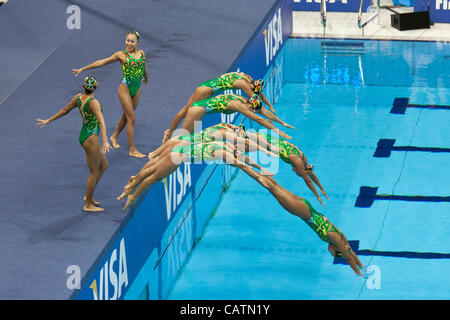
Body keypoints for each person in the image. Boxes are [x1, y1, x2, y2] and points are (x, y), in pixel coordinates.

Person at [237, 165, 365, 276]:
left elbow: (351, 252)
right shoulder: (334, 238)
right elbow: (348, 257)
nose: (328, 250)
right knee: (272, 188)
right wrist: (358, 274)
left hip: (306, 205)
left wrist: (362, 267)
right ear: (337, 249)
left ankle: (248, 162)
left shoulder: (341, 235)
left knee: (276, 186)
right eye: (332, 252)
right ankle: (241, 166)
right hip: (303, 212)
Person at [117, 141, 268, 209]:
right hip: (177, 159)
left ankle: (132, 181)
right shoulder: (224, 154)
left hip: (178, 148)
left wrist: (260, 167)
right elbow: (242, 164)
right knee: (153, 178)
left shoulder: (227, 145)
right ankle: (132, 196)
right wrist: (258, 176)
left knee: (150, 169)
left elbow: (243, 158)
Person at [36, 76, 111, 212]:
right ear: (96, 87)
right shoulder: (93, 103)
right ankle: (87, 204)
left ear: (84, 87)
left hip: (85, 135)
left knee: (104, 166)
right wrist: (105, 140)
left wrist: (49, 120)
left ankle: (89, 195)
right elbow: (101, 122)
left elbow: (65, 110)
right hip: (91, 138)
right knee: (94, 172)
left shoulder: (78, 98)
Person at [72, 30, 149, 158]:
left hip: (137, 89)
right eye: (127, 40)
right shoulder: (121, 55)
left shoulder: (141, 53)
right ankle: (132, 149)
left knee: (127, 116)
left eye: (132, 41)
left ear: (137, 43)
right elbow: (102, 62)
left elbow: (144, 66)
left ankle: (114, 136)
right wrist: (83, 69)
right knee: (132, 118)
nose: (129, 43)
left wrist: (146, 77)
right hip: (125, 88)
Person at [163, 71, 275, 143]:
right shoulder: (244, 84)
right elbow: (255, 99)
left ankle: (173, 137)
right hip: (205, 91)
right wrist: (267, 114)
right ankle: (169, 133)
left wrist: (269, 105)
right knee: (185, 112)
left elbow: (257, 94)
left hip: (208, 88)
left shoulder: (247, 77)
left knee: (190, 119)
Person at [250, 131, 329, 206]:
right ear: (299, 169)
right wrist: (317, 195)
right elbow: (308, 181)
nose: (293, 170)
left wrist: (321, 189)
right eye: (297, 173)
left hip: (266, 139)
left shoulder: (303, 160)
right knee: (242, 143)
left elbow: (310, 174)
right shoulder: (297, 162)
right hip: (263, 141)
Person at [177, 93, 293, 141]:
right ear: (250, 106)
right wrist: (277, 132)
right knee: (182, 140)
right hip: (198, 110)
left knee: (184, 138)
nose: (252, 112)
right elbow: (258, 118)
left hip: (200, 107)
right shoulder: (239, 105)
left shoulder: (243, 100)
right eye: (253, 110)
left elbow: (263, 113)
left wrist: (281, 122)